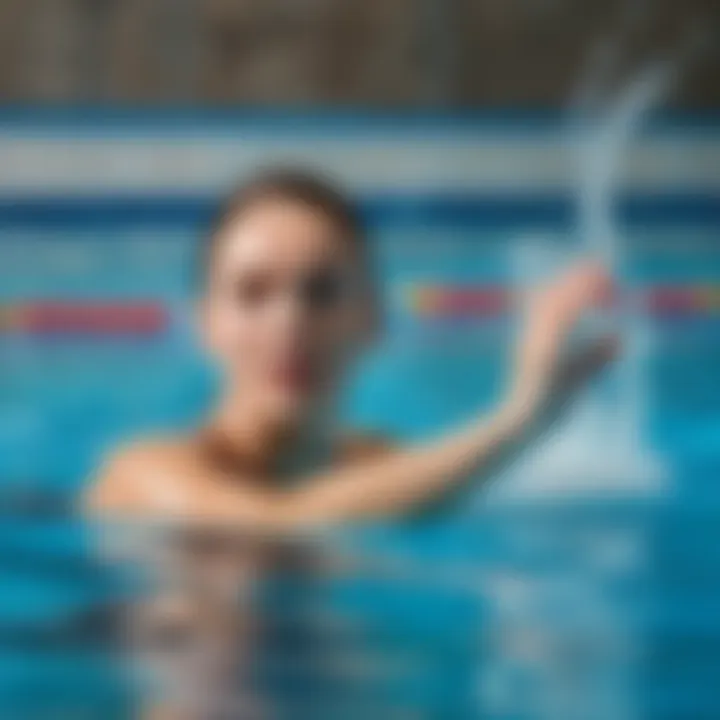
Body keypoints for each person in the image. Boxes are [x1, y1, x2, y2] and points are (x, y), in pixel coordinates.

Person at [83, 168, 616, 718]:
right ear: (205, 323)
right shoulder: (146, 471)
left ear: (373, 318)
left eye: (321, 291)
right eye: (251, 292)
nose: (289, 322)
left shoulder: (387, 469)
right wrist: (518, 420)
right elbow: (276, 519)